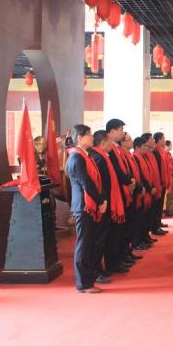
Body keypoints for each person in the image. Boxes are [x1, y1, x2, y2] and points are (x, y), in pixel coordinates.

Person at [65, 125, 106, 293]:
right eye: (89, 134)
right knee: (84, 245)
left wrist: (101, 199)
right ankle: (83, 283)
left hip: (88, 205)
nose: (92, 137)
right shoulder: (76, 158)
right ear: (79, 138)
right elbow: (86, 183)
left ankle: (88, 281)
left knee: (88, 244)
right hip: (83, 206)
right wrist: (100, 200)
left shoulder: (84, 156)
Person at [89, 130, 129, 283]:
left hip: (108, 202)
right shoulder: (98, 157)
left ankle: (109, 265)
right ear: (104, 142)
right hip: (102, 203)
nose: (113, 145)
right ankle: (96, 271)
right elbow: (100, 184)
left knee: (107, 237)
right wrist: (104, 201)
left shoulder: (103, 156)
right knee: (99, 239)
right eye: (110, 142)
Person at [105, 119, 139, 271]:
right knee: (116, 232)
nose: (122, 133)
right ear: (112, 131)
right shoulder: (110, 149)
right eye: (120, 130)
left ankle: (123, 255)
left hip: (125, 191)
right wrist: (128, 181)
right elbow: (117, 171)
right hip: (116, 193)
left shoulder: (117, 149)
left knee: (124, 228)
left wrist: (131, 180)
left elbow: (125, 168)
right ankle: (115, 261)